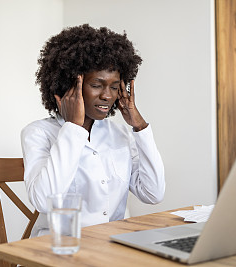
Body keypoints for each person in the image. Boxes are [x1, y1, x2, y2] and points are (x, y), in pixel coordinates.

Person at [21, 24, 165, 237]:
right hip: (59, 250)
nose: (108, 95)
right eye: (97, 85)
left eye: (114, 87)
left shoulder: (120, 135)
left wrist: (140, 127)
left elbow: (153, 193)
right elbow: (44, 200)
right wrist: (73, 128)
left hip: (111, 249)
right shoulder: (38, 133)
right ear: (70, 85)